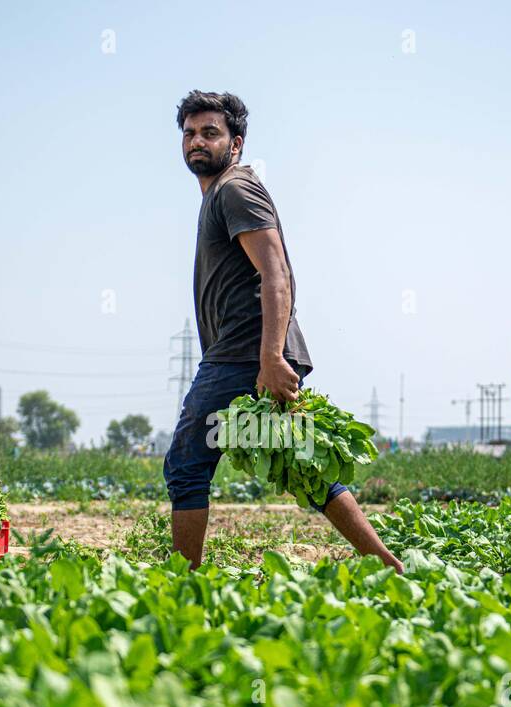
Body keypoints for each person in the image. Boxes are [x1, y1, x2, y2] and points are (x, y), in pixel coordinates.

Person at [164, 89, 404, 573]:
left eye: (210, 132)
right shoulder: (218, 195)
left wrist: (271, 358)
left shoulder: (235, 189)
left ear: (235, 144)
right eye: (189, 133)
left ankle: (181, 583)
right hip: (248, 355)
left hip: (243, 355)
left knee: (186, 464)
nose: (197, 142)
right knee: (299, 464)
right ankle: (385, 564)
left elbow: (277, 274)